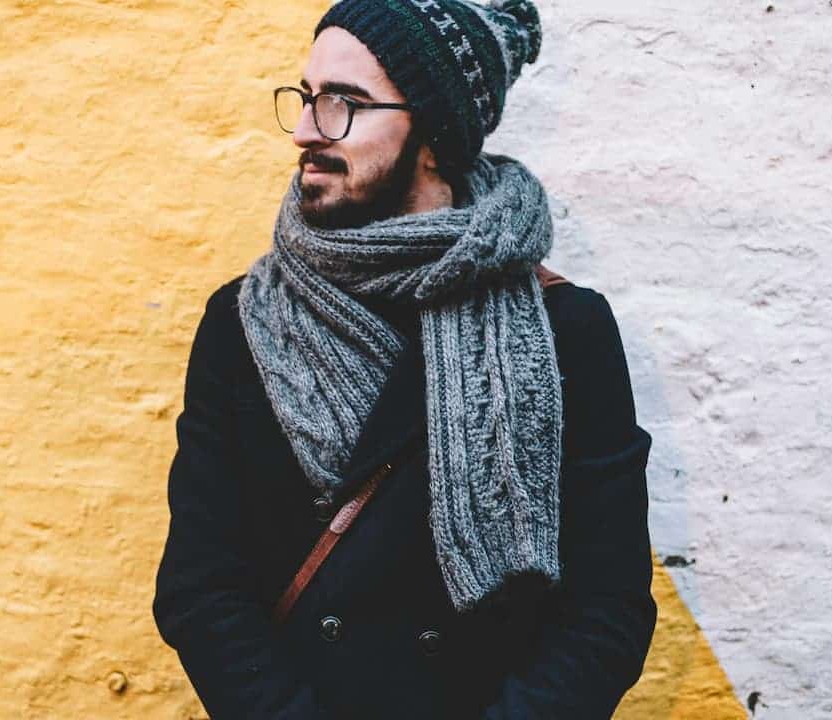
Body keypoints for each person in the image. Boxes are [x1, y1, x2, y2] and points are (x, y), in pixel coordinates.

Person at [152, 1, 657, 717]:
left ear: (433, 132)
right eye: (305, 98)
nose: (303, 130)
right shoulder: (242, 322)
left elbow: (607, 611)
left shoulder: (567, 330)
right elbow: (200, 589)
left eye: (343, 105)